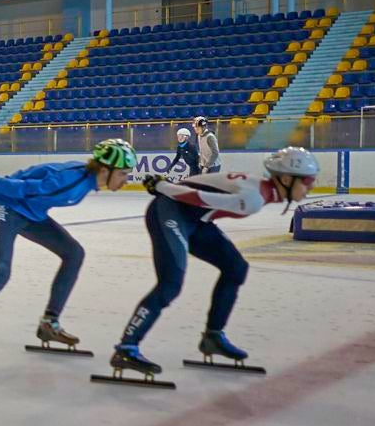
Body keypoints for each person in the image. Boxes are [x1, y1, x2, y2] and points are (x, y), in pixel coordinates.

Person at [108, 147, 319, 379]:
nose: (311, 187)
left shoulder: (262, 190)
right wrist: (161, 186)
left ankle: (213, 337)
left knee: (236, 268)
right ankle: (126, 348)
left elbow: (201, 198)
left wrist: (163, 186)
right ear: (286, 179)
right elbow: (197, 197)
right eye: (307, 182)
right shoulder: (254, 198)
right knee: (170, 284)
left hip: (195, 219)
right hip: (170, 210)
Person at [0, 140, 137, 369]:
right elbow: (26, 187)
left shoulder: (83, 180)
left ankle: (49, 324)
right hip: (3, 206)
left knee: (74, 253)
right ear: (104, 170)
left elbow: (35, 177)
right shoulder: (71, 181)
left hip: (30, 214)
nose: (126, 180)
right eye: (122, 174)